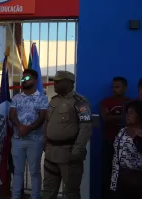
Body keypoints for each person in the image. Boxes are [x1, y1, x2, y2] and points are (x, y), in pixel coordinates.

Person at [42, 70, 92, 199]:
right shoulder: (53, 101)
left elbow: (86, 126)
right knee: (48, 189)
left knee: (70, 192)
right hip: (51, 153)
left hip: (69, 154)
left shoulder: (80, 101)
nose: (55, 84)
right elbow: (47, 123)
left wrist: (78, 149)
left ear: (70, 83)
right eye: (55, 81)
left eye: (59, 81)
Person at [9, 69, 48, 199]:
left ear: (35, 80)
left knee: (35, 172)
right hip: (18, 139)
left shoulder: (42, 98)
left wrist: (29, 128)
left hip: (35, 140)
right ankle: (15, 196)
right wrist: (20, 127)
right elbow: (12, 115)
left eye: (28, 78)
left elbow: (42, 117)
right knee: (18, 171)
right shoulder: (16, 97)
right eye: (23, 78)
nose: (24, 81)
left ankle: (35, 197)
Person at [109, 100, 142, 199]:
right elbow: (116, 155)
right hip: (119, 178)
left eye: (131, 113)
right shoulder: (122, 131)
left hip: (139, 180)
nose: (127, 115)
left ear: (141, 114)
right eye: (127, 113)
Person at [100, 77, 130, 198]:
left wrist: (114, 116)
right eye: (113, 87)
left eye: (117, 87)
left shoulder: (131, 102)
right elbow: (105, 118)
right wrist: (124, 116)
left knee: (126, 174)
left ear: (125, 88)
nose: (114, 89)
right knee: (109, 173)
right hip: (110, 142)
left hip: (128, 145)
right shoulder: (106, 102)